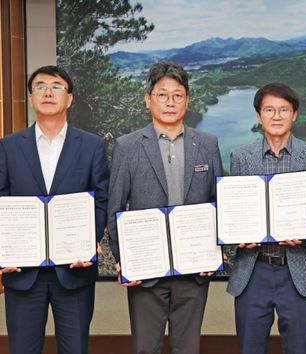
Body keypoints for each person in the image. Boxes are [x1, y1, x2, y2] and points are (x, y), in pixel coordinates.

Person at [0, 65, 109, 354]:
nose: (48, 92)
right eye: (40, 86)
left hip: (74, 271)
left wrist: (90, 240)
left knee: (75, 349)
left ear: (70, 99)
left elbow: (101, 199)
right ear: (31, 98)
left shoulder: (92, 146)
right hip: (23, 272)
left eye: (57, 86)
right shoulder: (8, 146)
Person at [107, 61, 223, 354]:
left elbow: (219, 202)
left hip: (194, 271)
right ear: (148, 99)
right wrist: (124, 259)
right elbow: (115, 207)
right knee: (146, 348)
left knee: (188, 348)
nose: (170, 102)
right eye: (162, 94)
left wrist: (217, 251)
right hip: (145, 271)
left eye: (177, 95)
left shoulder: (207, 143)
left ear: (187, 100)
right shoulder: (128, 146)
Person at [226, 83, 306, 354]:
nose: (277, 115)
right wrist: (237, 235)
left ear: (295, 114)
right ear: (259, 115)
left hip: (297, 270)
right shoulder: (241, 157)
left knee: (297, 349)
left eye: (284, 109)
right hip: (253, 268)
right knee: (250, 348)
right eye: (269, 109)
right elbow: (233, 208)